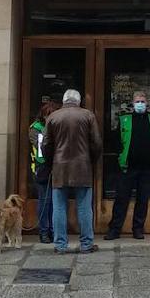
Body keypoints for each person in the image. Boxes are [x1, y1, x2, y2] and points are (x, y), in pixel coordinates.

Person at [42, 89, 101, 254]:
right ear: (79, 101)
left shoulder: (53, 117)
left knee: (59, 207)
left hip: (59, 166)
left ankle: (60, 244)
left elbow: (46, 144)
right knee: (84, 206)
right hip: (82, 166)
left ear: (64, 100)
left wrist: (50, 162)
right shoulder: (88, 115)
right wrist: (92, 161)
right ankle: (86, 244)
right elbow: (96, 143)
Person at [105, 90, 150, 241]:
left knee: (142, 200)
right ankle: (114, 229)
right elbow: (116, 141)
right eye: (138, 101)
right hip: (128, 167)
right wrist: (120, 156)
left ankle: (138, 229)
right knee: (121, 199)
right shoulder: (125, 119)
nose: (140, 104)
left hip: (147, 167)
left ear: (147, 103)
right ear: (133, 103)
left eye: (143, 101)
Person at [28, 100, 57, 243]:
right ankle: (44, 231)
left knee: (54, 201)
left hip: (56, 167)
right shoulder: (36, 128)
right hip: (42, 169)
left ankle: (53, 230)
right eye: (48, 116)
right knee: (45, 201)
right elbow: (41, 152)